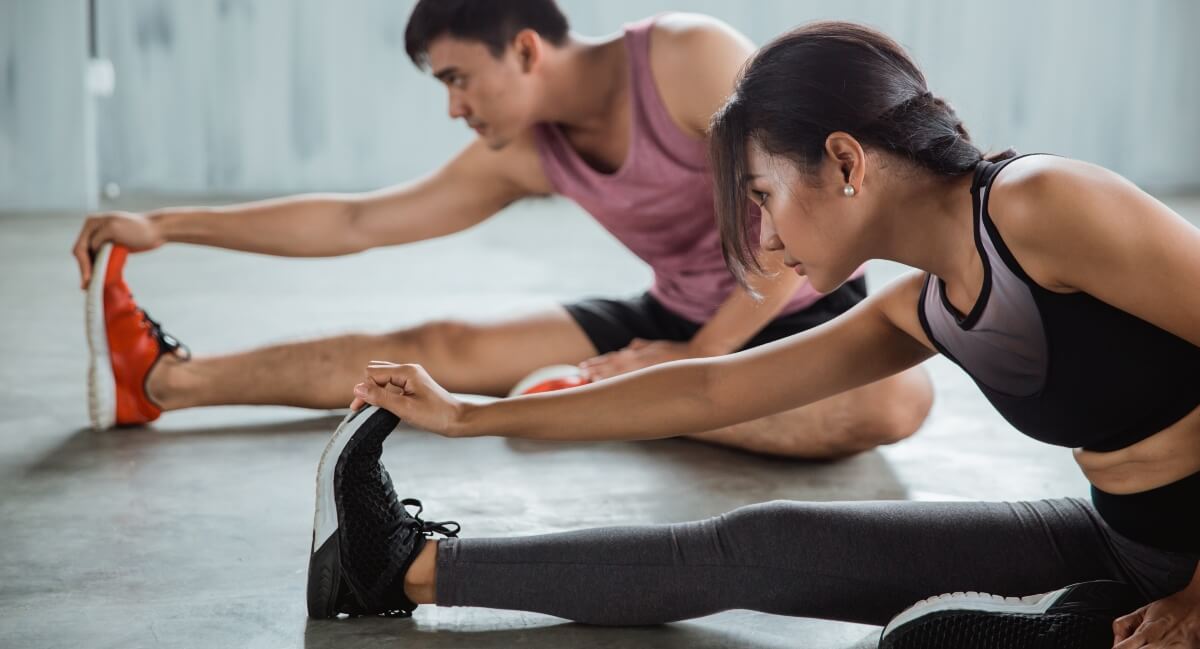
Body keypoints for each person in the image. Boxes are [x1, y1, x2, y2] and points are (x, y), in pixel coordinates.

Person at [314, 20, 1200, 649]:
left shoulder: (1041, 204)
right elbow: (711, 388)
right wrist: (468, 416)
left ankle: (1078, 626)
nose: (764, 239)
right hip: (1125, 545)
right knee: (756, 543)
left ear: (846, 162)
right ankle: (400, 569)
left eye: (765, 196)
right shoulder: (925, 305)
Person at [74, 0, 931, 459]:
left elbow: (793, 214)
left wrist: (694, 361)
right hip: (675, 321)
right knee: (429, 342)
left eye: (459, 78)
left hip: (795, 306)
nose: (453, 106)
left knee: (900, 400)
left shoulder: (685, 57)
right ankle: (163, 383)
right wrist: (164, 224)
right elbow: (357, 219)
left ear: (525, 49)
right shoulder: (523, 150)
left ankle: (610, 399)